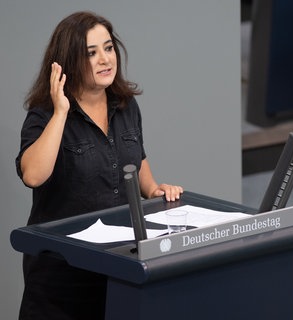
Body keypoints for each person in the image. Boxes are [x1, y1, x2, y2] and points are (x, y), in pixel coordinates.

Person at [15, 11, 183, 319]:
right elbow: (33, 175)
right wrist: (61, 112)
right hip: (62, 276)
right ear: (68, 61)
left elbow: (137, 164)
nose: (105, 59)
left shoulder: (126, 105)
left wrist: (155, 190)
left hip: (119, 266)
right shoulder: (45, 115)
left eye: (108, 47)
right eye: (91, 53)